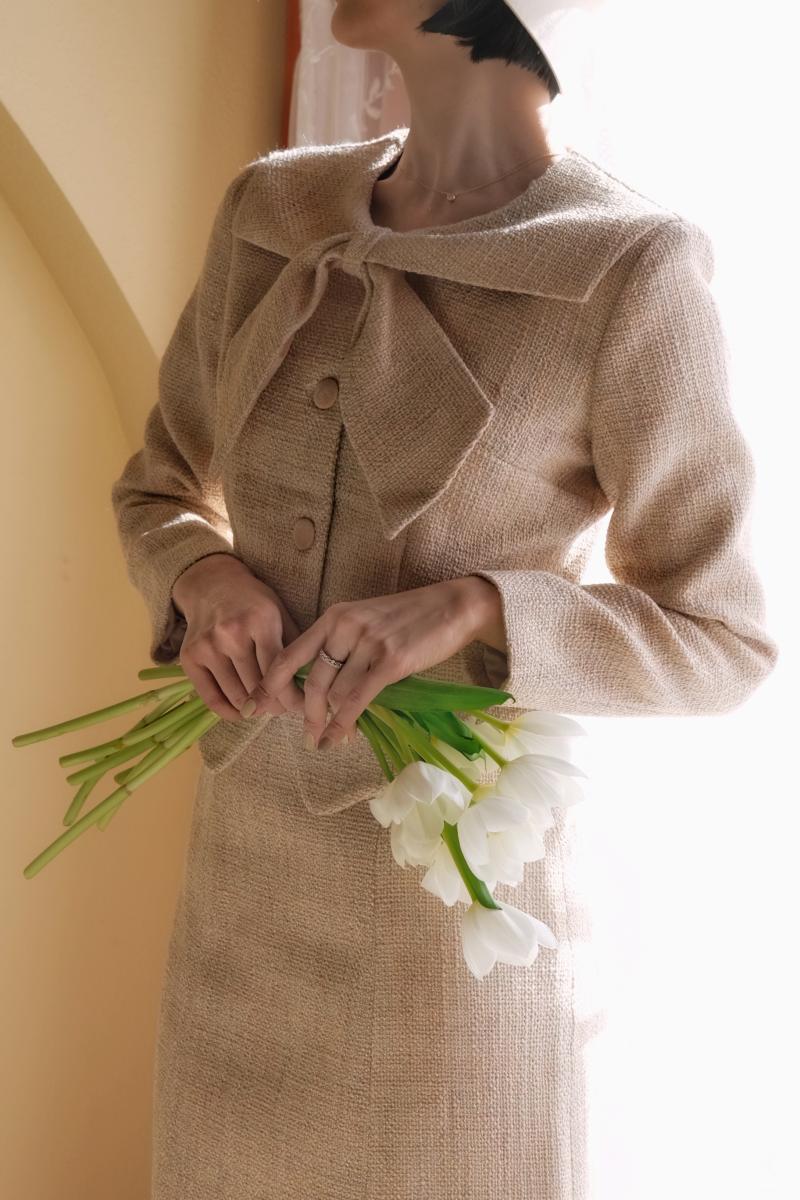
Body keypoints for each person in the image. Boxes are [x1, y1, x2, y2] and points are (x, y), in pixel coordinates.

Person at [110, 2, 779, 1197]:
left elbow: (720, 637)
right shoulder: (274, 210)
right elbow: (160, 485)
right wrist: (201, 575)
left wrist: (477, 608)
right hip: (238, 904)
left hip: (452, 934)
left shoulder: (626, 264)